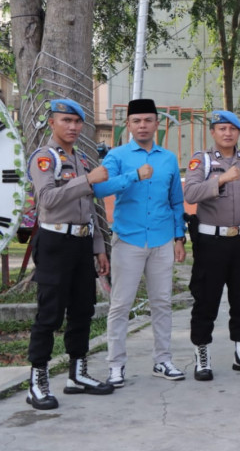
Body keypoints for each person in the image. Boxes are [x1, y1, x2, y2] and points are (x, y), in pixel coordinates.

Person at [25, 99, 115, 409]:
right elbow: (47, 200)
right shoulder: (44, 158)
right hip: (54, 243)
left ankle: (78, 374)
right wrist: (87, 180)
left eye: (77, 122)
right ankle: (37, 381)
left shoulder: (82, 160)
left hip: (82, 244)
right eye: (66, 120)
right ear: (52, 122)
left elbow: (91, 209)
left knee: (82, 310)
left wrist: (100, 248)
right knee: (49, 314)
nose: (73, 127)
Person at [94, 98, 186, 386]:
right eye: (137, 121)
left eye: (148, 120)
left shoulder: (168, 158)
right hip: (129, 240)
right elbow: (99, 188)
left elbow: (176, 201)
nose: (142, 125)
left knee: (162, 303)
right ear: (129, 125)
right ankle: (116, 366)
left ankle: (163, 360)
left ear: (157, 124)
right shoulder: (117, 156)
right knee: (120, 305)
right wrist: (132, 176)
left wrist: (179, 237)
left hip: (161, 240)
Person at [183, 110, 240, 381]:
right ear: (213, 132)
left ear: (238, 133)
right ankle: (202, 353)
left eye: (232, 129)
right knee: (206, 300)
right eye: (222, 128)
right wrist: (220, 179)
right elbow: (190, 193)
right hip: (211, 241)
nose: (227, 133)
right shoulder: (203, 161)